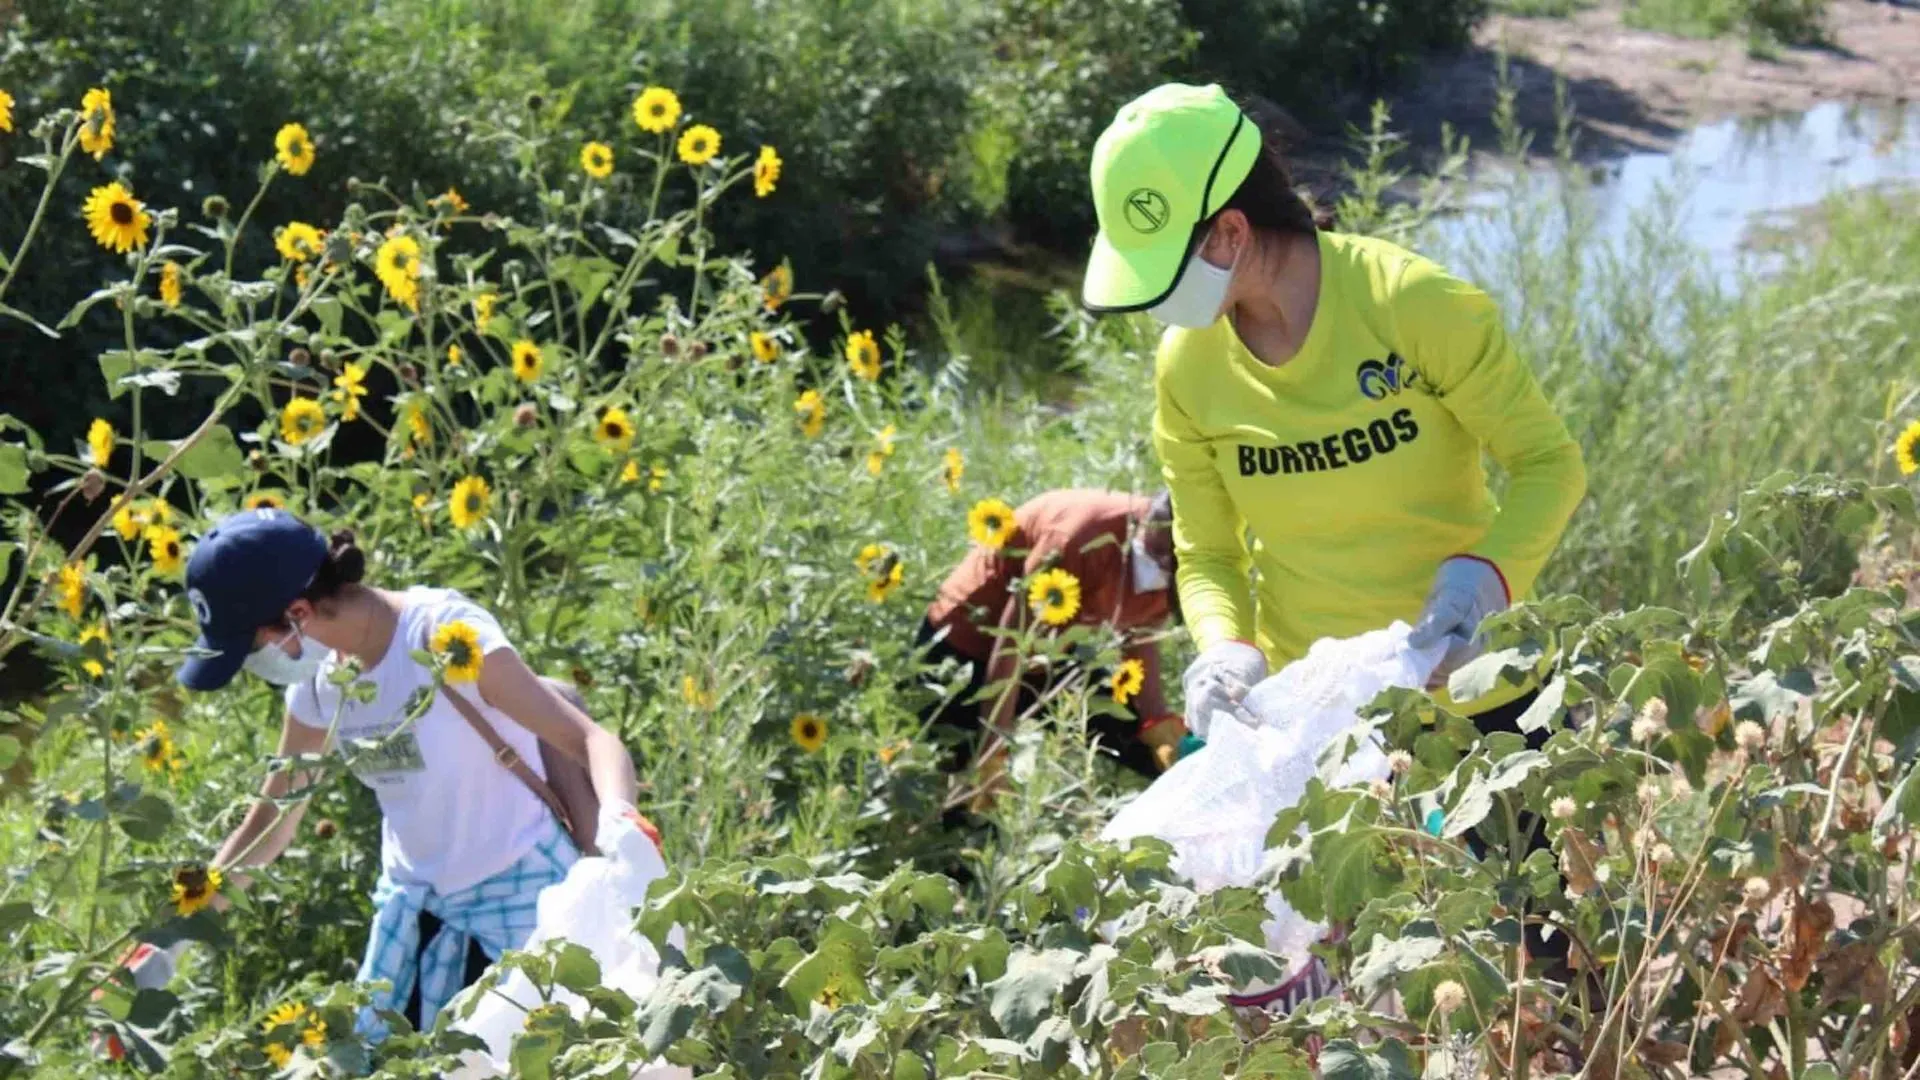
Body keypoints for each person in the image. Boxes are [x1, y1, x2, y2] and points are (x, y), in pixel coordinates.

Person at [1080, 84, 1587, 958]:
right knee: (1345, 971)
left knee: (1539, 948)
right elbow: (1205, 552)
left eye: (1166, 269)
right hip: (1314, 723)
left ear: (1231, 233)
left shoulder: (1411, 305)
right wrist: (1223, 645)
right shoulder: (1188, 367)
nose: (1157, 306)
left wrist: (1487, 580)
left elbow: (1550, 465)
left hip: (1472, 684)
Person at [175, 508, 644, 1038]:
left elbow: (590, 739)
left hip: (523, 900)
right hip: (415, 911)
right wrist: (175, 933)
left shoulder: (442, 636)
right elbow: (270, 825)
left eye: (253, 647)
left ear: (298, 614)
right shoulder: (317, 687)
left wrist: (623, 831)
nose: (255, 665)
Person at [919, 488, 1185, 784]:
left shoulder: (1186, 560)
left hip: (1048, 651)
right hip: (967, 641)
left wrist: (1158, 723)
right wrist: (994, 750)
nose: (1161, 567)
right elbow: (1012, 642)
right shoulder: (1080, 537)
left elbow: (1141, 637)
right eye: (1160, 554)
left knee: (1147, 746)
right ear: (1149, 523)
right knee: (953, 779)